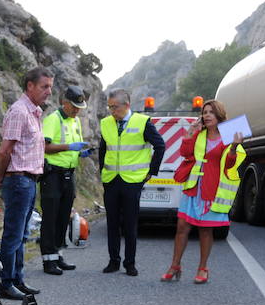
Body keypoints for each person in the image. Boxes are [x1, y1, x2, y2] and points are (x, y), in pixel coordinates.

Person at [162, 99, 245, 284]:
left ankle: (203, 268)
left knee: (205, 231)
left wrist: (234, 146)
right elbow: (185, 153)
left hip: (211, 189)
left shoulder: (229, 136)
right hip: (193, 187)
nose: (206, 115)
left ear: (219, 116)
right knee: (181, 228)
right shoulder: (199, 134)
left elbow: (230, 163)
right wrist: (189, 135)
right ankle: (175, 266)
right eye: (204, 112)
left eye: (211, 112)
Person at [0, 67, 53, 299]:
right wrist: (0, 175)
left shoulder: (34, 113)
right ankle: (6, 283)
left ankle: (17, 278)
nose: (48, 92)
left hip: (29, 181)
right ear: (29, 86)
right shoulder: (19, 112)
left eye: (50, 87)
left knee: (22, 235)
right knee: (13, 235)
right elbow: (4, 150)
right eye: (44, 86)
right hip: (18, 180)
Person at [98, 89, 165, 276]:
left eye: (115, 107)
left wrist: (152, 171)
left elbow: (160, 146)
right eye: (109, 107)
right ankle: (113, 261)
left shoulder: (142, 122)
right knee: (112, 223)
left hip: (132, 182)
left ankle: (130, 263)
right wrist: (102, 170)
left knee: (129, 224)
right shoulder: (106, 123)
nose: (111, 111)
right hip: (111, 181)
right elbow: (103, 150)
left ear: (126, 105)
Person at [39, 85, 92, 275]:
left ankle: (58, 255)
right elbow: (45, 147)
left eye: (80, 107)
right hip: (53, 174)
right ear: (64, 102)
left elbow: (73, 148)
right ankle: (48, 260)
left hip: (69, 174)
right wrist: (70, 146)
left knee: (63, 217)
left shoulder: (75, 121)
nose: (77, 110)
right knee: (50, 217)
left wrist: (81, 152)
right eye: (74, 106)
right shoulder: (53, 119)